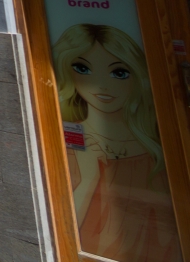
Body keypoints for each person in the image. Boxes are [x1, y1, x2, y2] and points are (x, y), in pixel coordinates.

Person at [54, 23, 179, 261]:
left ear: (137, 74)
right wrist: (89, 176)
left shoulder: (158, 145)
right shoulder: (67, 142)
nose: (102, 85)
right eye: (82, 68)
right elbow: (62, 231)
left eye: (119, 72)